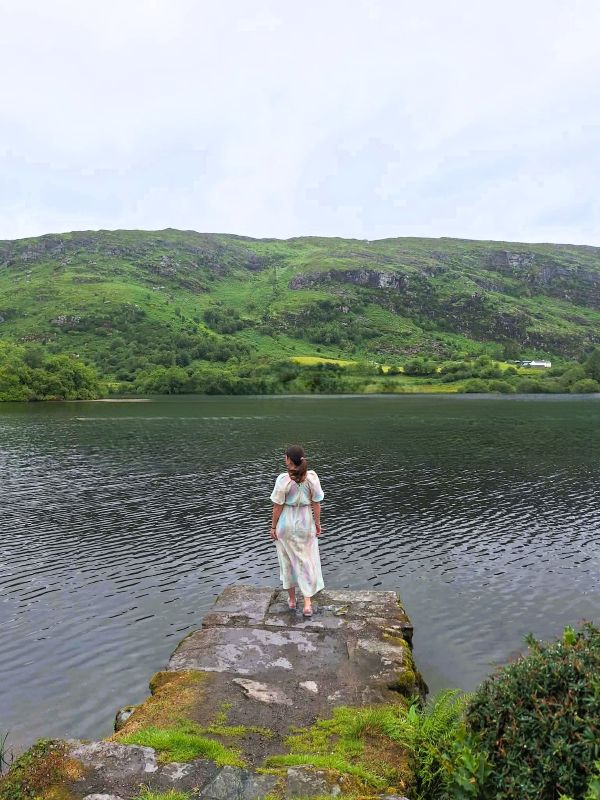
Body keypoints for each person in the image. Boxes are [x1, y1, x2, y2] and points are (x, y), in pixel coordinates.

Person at [269, 445, 324, 617]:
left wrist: (272, 527)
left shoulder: (283, 480)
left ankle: (292, 601)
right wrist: (318, 523)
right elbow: (316, 503)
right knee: (306, 560)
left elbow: (277, 507)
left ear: (288, 460)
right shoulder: (312, 478)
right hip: (305, 523)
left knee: (287, 561)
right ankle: (307, 604)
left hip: (286, 523)